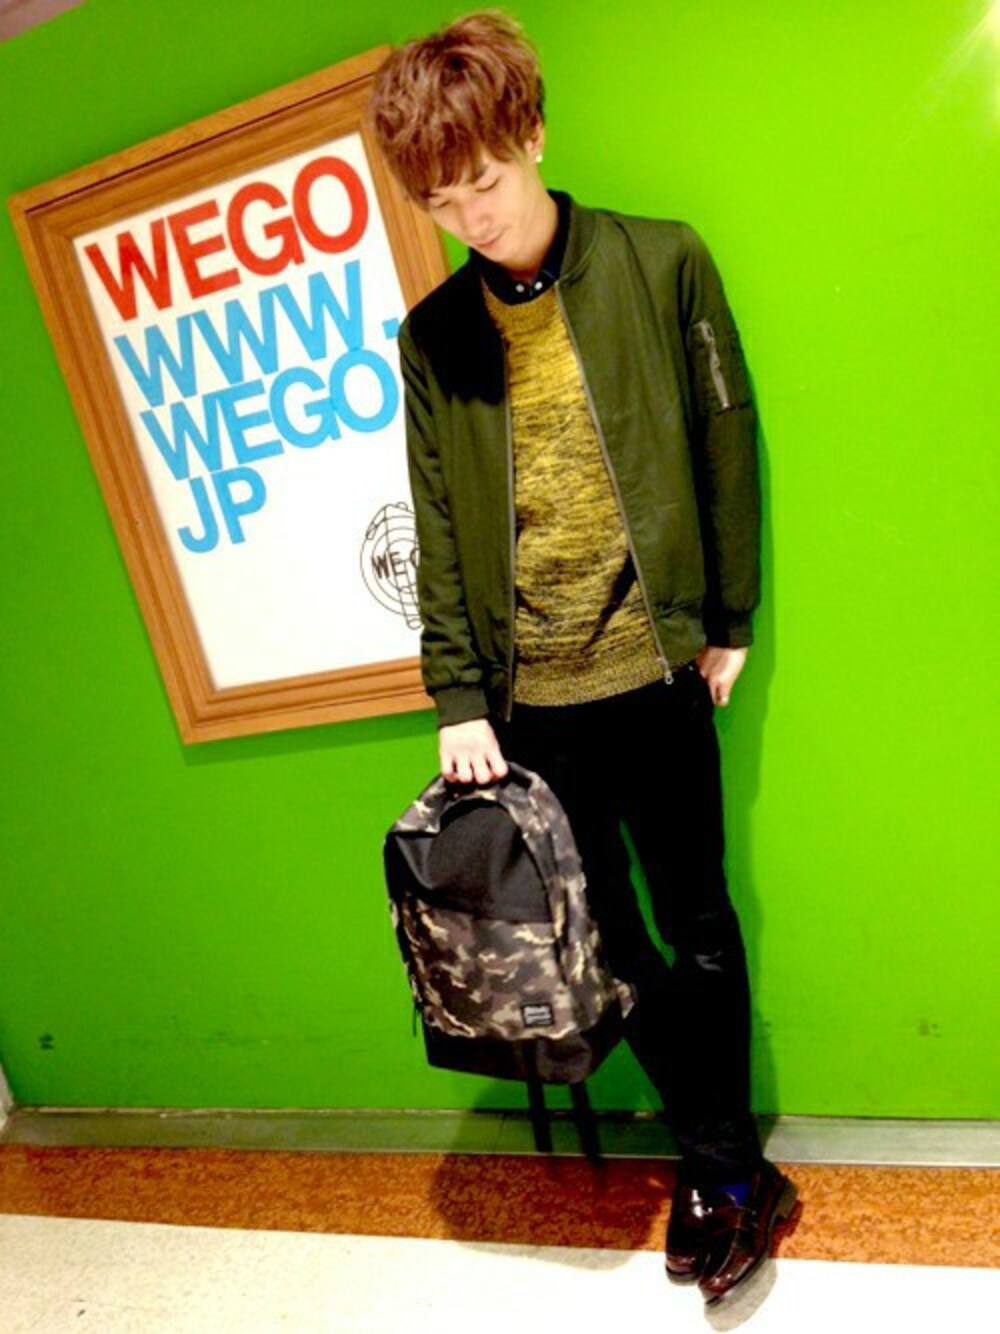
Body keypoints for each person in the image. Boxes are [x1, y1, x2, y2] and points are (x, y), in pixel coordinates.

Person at [368, 7, 798, 1308]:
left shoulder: (662, 261)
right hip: (529, 708)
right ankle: (727, 1165)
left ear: (534, 136)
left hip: (654, 675)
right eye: (442, 201)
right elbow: (440, 524)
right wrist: (457, 696)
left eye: (485, 182)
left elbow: (726, 440)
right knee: (606, 943)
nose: (472, 217)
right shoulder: (434, 338)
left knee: (699, 921)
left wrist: (728, 619)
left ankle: (719, 1170)